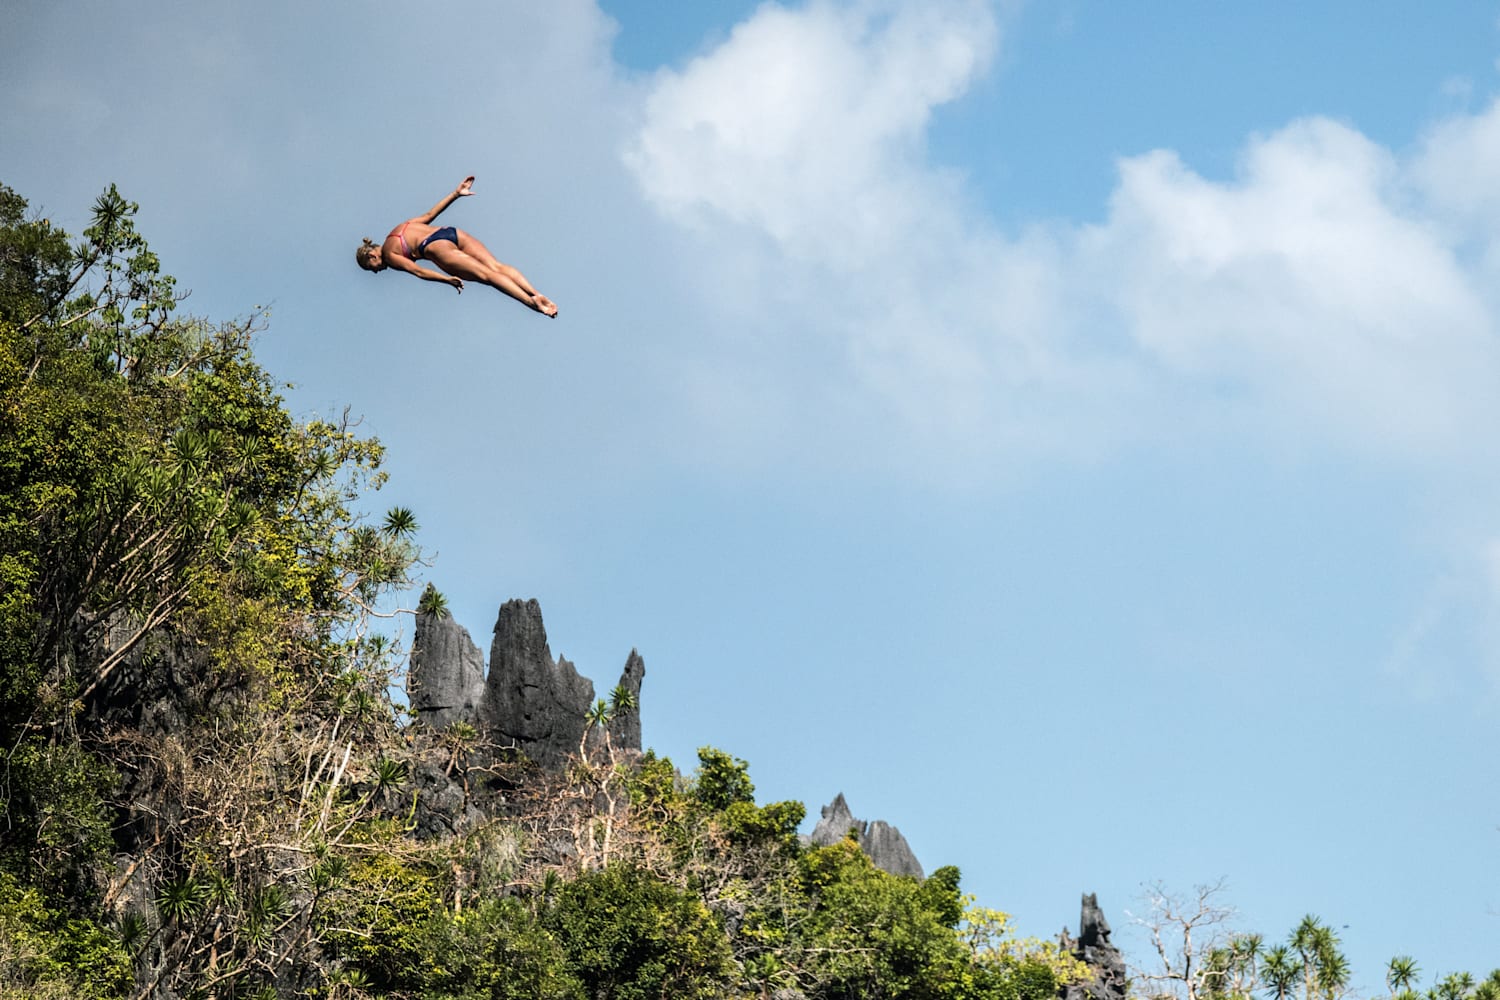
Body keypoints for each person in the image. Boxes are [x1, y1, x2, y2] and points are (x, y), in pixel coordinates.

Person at [355, 176, 558, 317]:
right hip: (450, 232)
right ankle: (534, 292)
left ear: (372, 256)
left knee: (487, 275)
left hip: (434, 247)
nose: (376, 272)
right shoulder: (399, 228)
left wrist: (446, 280)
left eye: (371, 268)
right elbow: (429, 215)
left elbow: (418, 271)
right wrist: (456, 193)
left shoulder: (390, 255)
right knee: (497, 266)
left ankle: (531, 303)